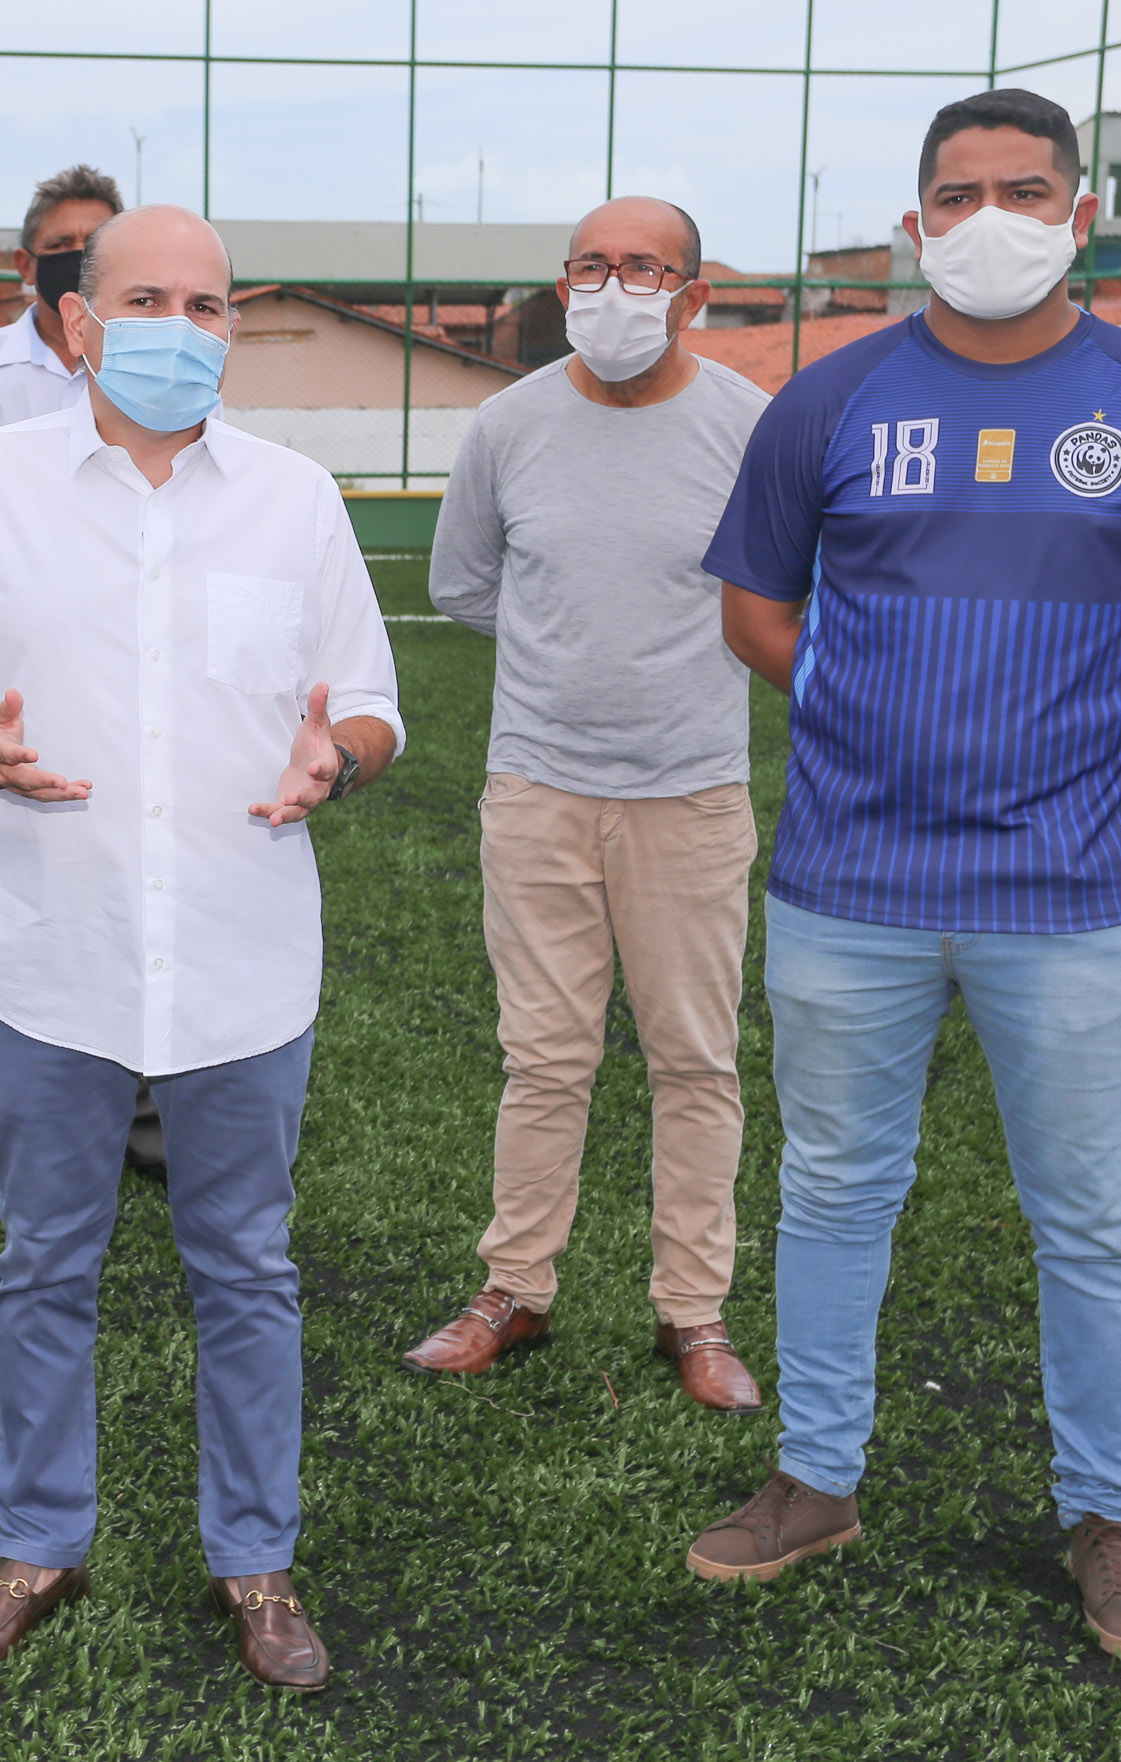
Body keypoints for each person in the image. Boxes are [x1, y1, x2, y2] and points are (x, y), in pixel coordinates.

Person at [690, 89, 1121, 1667]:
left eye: (1027, 188)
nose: (993, 215)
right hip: (847, 881)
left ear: (1080, 215)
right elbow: (757, 612)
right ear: (917, 220)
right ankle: (816, 1477)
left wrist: (1055, 740)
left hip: (1080, 892)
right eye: (961, 192)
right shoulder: (829, 400)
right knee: (832, 1187)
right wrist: (876, 726)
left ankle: (1111, 1514)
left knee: (1092, 1217)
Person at [0, 205, 403, 1691]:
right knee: (46, 1263)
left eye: (209, 303)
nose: (181, 326)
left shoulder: (294, 498)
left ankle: (259, 1564)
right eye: (147, 298)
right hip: (50, 952)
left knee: (247, 1267)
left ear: (237, 325)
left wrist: (335, 764)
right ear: (84, 322)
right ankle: (38, 1542)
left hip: (239, 955)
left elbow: (370, 698)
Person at [404, 197, 772, 1414]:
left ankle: (694, 1311)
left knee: (695, 1059)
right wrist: (573, 652)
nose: (617, 287)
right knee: (544, 1058)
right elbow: (462, 582)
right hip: (539, 789)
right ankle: (514, 1287)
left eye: (646, 267)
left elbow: (785, 591)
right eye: (593, 266)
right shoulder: (508, 424)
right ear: (563, 285)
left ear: (694, 292)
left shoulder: (748, 427)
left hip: (693, 794)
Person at [0, 161, 165, 1210]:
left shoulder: (159, 362)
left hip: (132, 681)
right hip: (4, 692)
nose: (80, 257)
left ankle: (148, 1132)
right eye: (64, 244)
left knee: (141, 906)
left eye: (101, 243)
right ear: (28, 264)